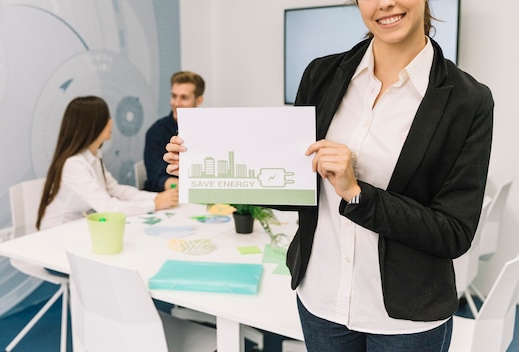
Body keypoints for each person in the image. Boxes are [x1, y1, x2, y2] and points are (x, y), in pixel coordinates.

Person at [164, 0, 494, 351]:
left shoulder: (468, 101)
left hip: (405, 318)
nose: (385, 4)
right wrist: (203, 169)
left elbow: (454, 234)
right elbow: (294, 183)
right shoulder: (321, 75)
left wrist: (357, 193)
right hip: (321, 301)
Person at [36, 96, 178, 230]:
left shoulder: (94, 157)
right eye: (107, 118)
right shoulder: (73, 165)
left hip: (81, 229)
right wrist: (154, 204)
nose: (112, 122)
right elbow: (107, 207)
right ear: (93, 125)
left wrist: (156, 197)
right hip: (58, 235)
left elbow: (116, 190)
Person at [143, 71, 205, 192]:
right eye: (174, 96)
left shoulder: (207, 130)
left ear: (199, 100)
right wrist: (195, 189)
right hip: (171, 199)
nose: (176, 103)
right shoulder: (156, 132)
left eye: (184, 97)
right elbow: (157, 178)